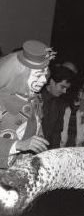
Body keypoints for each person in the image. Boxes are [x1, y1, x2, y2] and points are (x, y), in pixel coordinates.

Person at [0, 40, 52, 168]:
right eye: (38, 75)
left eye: (45, 75)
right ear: (21, 74)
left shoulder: (36, 99)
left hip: (23, 172)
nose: (44, 80)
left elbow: (38, 134)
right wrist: (18, 145)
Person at [41, 65, 74, 149]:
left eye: (66, 88)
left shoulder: (61, 103)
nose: (64, 91)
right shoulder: (37, 98)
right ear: (52, 81)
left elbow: (57, 132)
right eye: (62, 87)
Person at [60, 80, 84, 147]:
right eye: (83, 90)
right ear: (75, 91)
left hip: (80, 146)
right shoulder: (64, 104)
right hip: (62, 145)